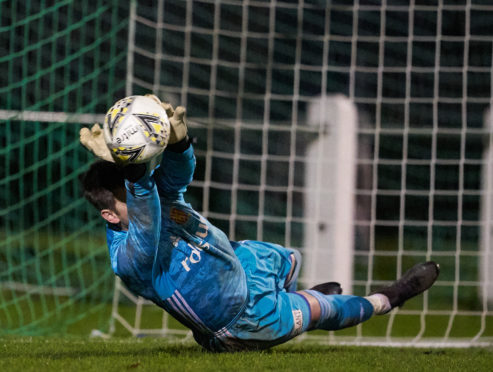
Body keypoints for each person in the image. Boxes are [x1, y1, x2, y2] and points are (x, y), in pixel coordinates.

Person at [79, 95, 440, 352]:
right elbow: (145, 223)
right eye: (133, 196)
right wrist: (132, 168)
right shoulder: (128, 258)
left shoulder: (157, 196)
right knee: (321, 310)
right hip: (243, 319)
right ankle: (386, 299)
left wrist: (179, 142)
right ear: (110, 215)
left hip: (247, 262)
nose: (149, 199)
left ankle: (294, 293)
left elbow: (177, 175)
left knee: (290, 257)